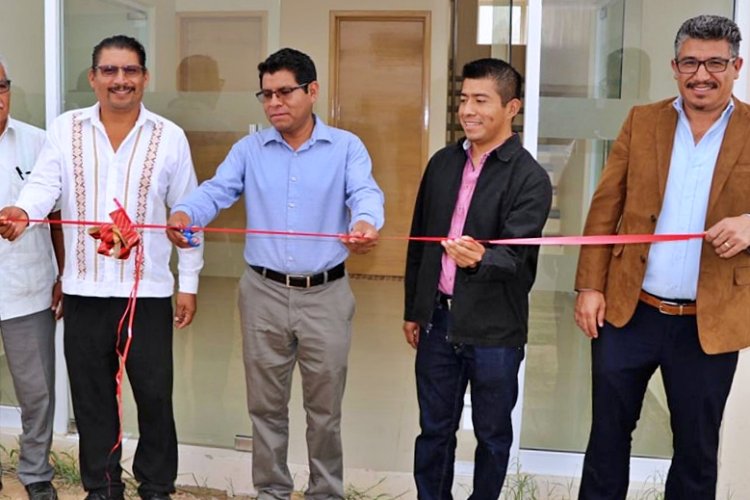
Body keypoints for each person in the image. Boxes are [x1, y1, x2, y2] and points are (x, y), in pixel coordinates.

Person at [166, 47, 384, 498]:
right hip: (261, 293)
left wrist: (365, 223)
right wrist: (186, 212)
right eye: (265, 95)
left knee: (324, 410)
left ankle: (325, 491)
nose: (274, 103)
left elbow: (365, 193)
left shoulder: (346, 147)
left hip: (326, 295)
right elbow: (215, 192)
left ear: (313, 91)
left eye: (285, 92)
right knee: (265, 407)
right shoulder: (249, 149)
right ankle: (271, 491)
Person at [0, 35, 203, 500]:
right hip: (84, 291)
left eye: (130, 71)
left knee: (154, 398)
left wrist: (187, 283)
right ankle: (102, 487)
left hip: (146, 292)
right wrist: (23, 213)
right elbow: (44, 186)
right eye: (109, 71)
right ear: (93, 78)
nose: (120, 80)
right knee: (92, 401)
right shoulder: (66, 129)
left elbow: (189, 213)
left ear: (145, 78)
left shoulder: (168, 136)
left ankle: (156, 487)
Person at [574, 15, 750, 500]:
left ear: (736, 66)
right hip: (630, 311)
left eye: (715, 63)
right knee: (607, 438)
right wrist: (590, 286)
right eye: (691, 62)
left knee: (696, 452)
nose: (702, 74)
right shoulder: (643, 120)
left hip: (707, 324)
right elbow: (606, 204)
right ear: (675, 67)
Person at [403, 58, 552, 499]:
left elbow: (517, 260)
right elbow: (419, 241)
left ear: (512, 107)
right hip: (438, 321)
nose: (468, 110)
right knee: (434, 431)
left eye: (481, 100)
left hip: (495, 331)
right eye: (463, 99)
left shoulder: (530, 178)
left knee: (491, 436)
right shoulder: (442, 163)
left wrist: (480, 258)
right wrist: (415, 307)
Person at [0, 55, 64, 500]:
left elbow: (58, 217)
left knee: (37, 393)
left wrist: (63, 274)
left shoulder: (39, 143)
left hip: (29, 288)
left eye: (1, 86)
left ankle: (36, 474)